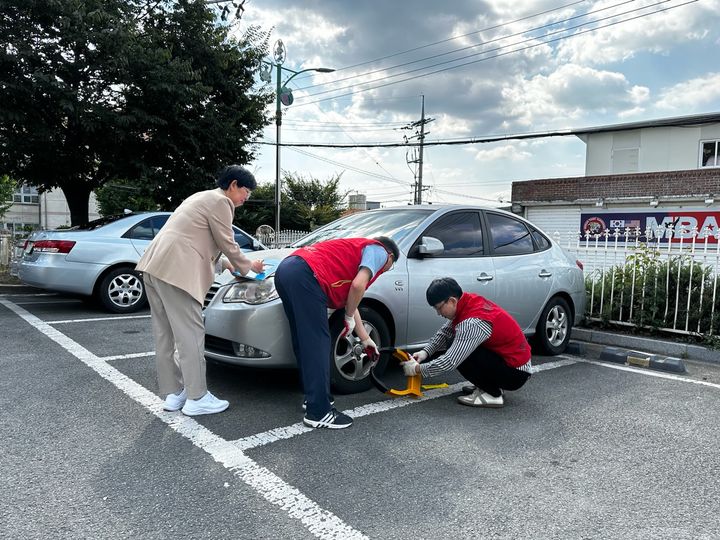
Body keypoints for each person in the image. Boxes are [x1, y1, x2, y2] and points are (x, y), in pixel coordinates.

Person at [136, 165, 264, 416]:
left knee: (165, 336)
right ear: (234, 185)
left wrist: (232, 266)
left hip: (155, 268)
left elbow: (202, 244)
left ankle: (174, 394)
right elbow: (227, 242)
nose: (246, 198)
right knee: (191, 335)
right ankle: (197, 397)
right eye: (246, 191)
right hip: (178, 273)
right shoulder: (221, 202)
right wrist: (249, 267)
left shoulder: (201, 197)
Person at [274, 236, 399, 429]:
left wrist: (365, 339)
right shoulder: (379, 251)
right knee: (318, 343)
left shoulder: (353, 254)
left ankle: (313, 397)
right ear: (390, 256)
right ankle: (319, 412)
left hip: (287, 270)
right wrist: (348, 317)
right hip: (306, 274)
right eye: (388, 267)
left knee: (304, 340)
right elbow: (358, 285)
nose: (382, 270)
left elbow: (353, 301)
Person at [400, 277, 532, 408]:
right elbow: (445, 332)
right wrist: (425, 352)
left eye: (439, 308)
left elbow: (450, 361)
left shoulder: (472, 323)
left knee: (458, 350)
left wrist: (417, 369)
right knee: (454, 341)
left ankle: (493, 394)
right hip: (512, 364)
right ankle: (487, 386)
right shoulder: (467, 302)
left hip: (516, 374)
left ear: (452, 301)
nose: (438, 313)